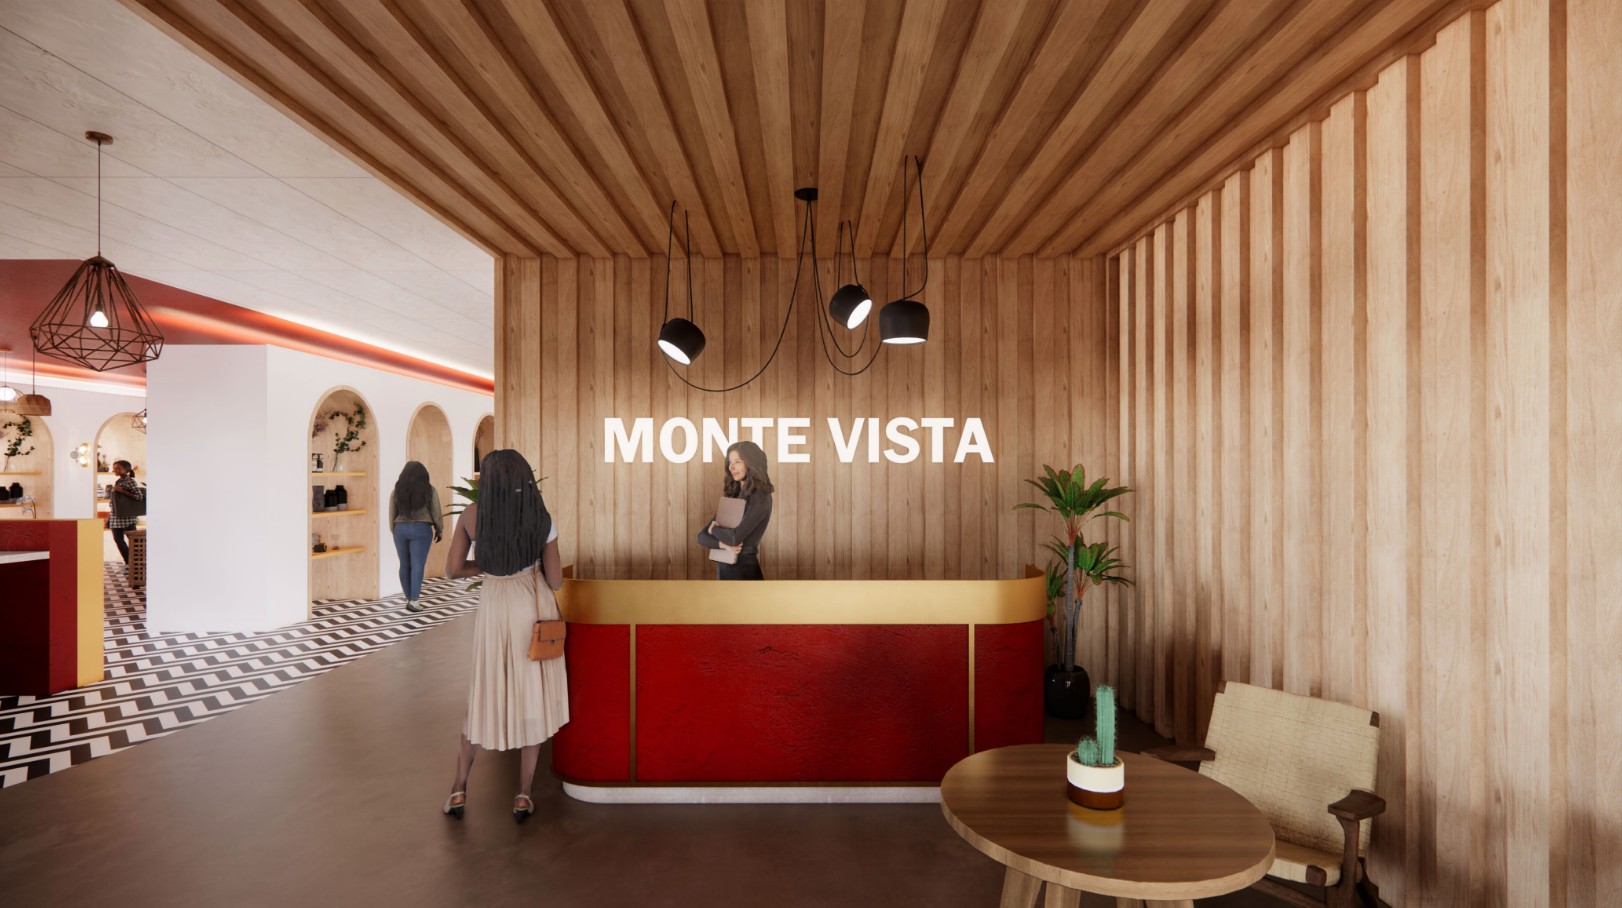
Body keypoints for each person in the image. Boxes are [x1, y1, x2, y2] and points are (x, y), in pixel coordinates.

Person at [442, 449, 566, 823]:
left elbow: (451, 570)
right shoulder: (541, 518)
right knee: (530, 693)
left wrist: (490, 565)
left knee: (485, 689)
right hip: (530, 606)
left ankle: (459, 789)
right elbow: (556, 579)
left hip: (494, 606)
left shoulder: (472, 516)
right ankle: (523, 795)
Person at [696, 440, 774, 580]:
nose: (731, 467)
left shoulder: (761, 497)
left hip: (744, 572)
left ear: (751, 463)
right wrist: (724, 545)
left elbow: (734, 537)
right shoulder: (734, 496)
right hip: (724, 571)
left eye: (737, 462)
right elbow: (701, 537)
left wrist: (714, 530)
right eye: (730, 462)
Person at [389, 461, 443, 612]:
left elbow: (392, 513)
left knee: (404, 565)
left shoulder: (397, 491)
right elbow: (437, 513)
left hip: (400, 528)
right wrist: (439, 530)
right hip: (421, 529)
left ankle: (409, 599)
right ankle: (414, 600)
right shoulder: (430, 490)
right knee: (417, 564)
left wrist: (395, 531)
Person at [106, 460, 144, 566]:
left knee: (133, 542)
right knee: (118, 540)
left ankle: (137, 565)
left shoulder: (130, 481)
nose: (115, 470)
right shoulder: (118, 482)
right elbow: (114, 503)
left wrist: (122, 491)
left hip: (126, 517)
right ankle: (129, 563)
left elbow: (138, 497)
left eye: (118, 468)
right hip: (115, 517)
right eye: (114, 468)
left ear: (125, 470)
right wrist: (109, 519)